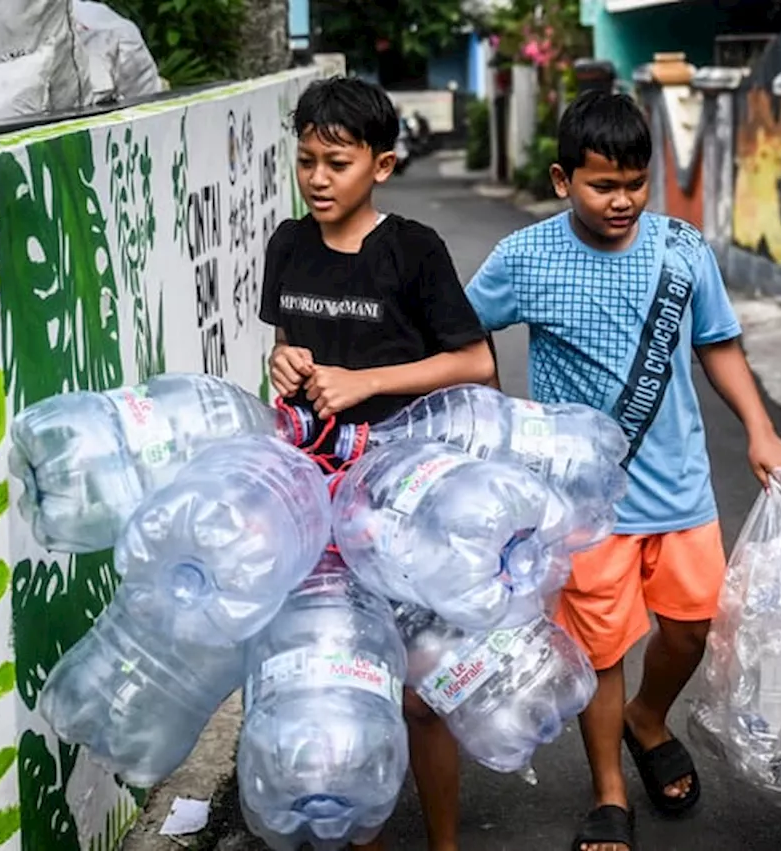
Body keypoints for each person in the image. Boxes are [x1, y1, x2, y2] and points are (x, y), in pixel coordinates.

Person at [465, 90, 781, 851]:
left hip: (680, 485)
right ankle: (610, 788)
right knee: (599, 649)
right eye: (603, 185)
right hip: (584, 505)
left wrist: (760, 428)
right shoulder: (525, 256)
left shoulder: (683, 249)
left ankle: (650, 717)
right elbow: (463, 329)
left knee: (693, 626)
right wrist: (497, 418)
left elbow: (717, 343)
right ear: (562, 179)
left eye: (635, 184)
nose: (622, 201)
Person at [259, 75, 494, 851]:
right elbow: (281, 344)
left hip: (402, 499)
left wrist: (368, 382)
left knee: (421, 694)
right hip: (314, 497)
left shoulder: (413, 250)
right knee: (343, 681)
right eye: (306, 162)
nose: (318, 179)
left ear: (382, 166)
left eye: (337, 162)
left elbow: (475, 362)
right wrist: (286, 361)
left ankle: (445, 841)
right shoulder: (288, 245)